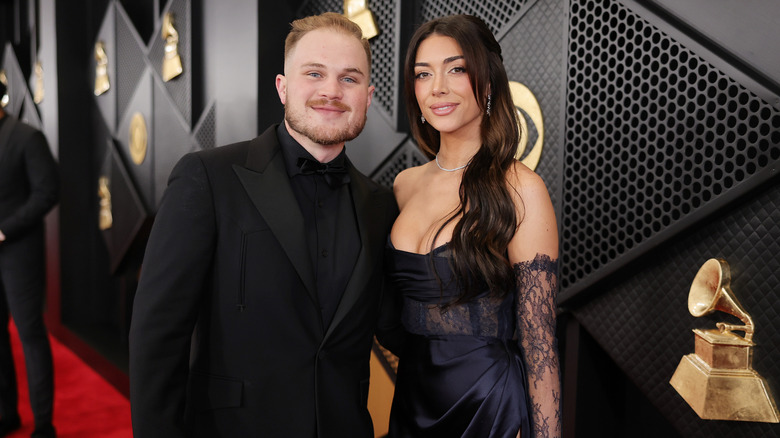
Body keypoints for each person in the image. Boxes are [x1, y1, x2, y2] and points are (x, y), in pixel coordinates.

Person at [128, 12, 398, 438]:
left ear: (368, 95)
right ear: (283, 87)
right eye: (314, 73)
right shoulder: (208, 177)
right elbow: (157, 335)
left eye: (350, 78)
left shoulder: (380, 205)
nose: (331, 90)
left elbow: (395, 327)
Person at [380, 14, 561, 437]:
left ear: (489, 81)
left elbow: (540, 345)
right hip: (412, 398)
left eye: (456, 69)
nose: (437, 87)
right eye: (423, 74)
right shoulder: (404, 185)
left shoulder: (520, 188)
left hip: (488, 404)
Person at [0, 81, 59, 438]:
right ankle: (7, 414)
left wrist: (4, 230)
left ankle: (43, 425)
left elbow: (47, 192)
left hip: (19, 251)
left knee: (30, 335)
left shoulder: (26, 137)